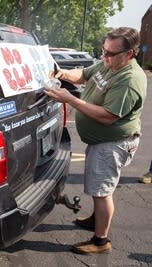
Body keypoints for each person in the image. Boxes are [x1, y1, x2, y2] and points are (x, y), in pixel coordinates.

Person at [44, 27, 147, 255]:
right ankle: (96, 219)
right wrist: (60, 73)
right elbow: (83, 74)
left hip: (113, 144)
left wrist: (70, 99)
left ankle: (101, 241)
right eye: (104, 50)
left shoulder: (129, 79)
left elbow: (107, 116)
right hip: (101, 143)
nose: (105, 57)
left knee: (102, 192)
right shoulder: (109, 63)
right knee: (98, 186)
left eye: (111, 53)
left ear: (130, 53)